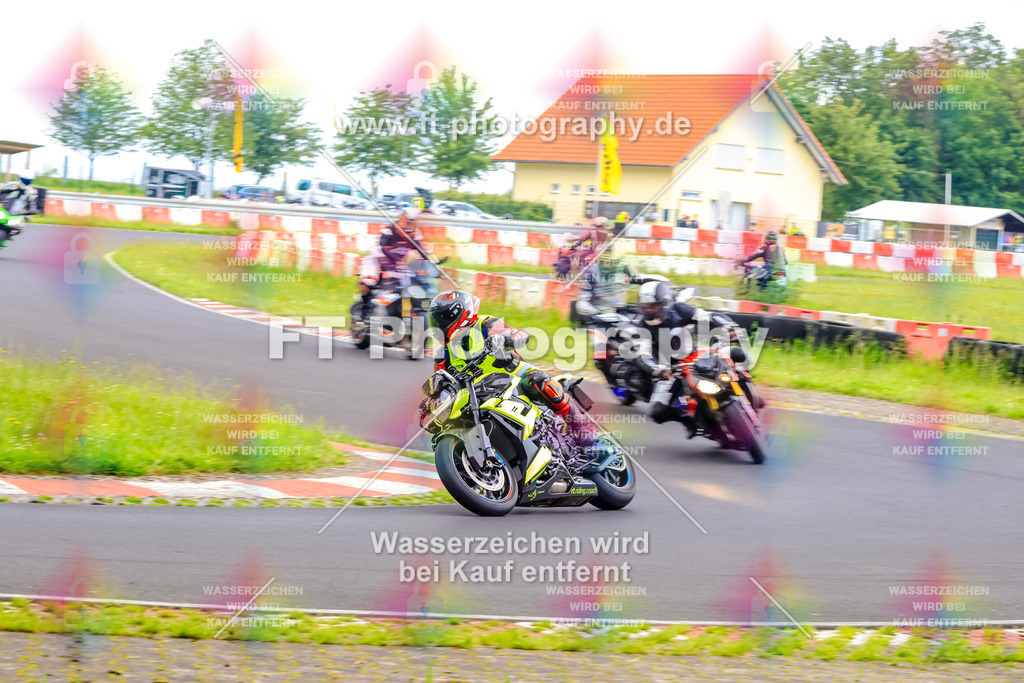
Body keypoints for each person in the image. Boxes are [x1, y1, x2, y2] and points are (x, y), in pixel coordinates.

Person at [425, 290, 600, 448]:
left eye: (442, 318)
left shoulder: (485, 323)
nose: (439, 324)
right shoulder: (443, 353)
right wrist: (432, 402)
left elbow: (522, 334)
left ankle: (581, 426)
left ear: (461, 312)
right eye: (436, 319)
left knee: (540, 382)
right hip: (479, 393)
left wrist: (504, 338)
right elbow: (442, 381)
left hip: (513, 375)